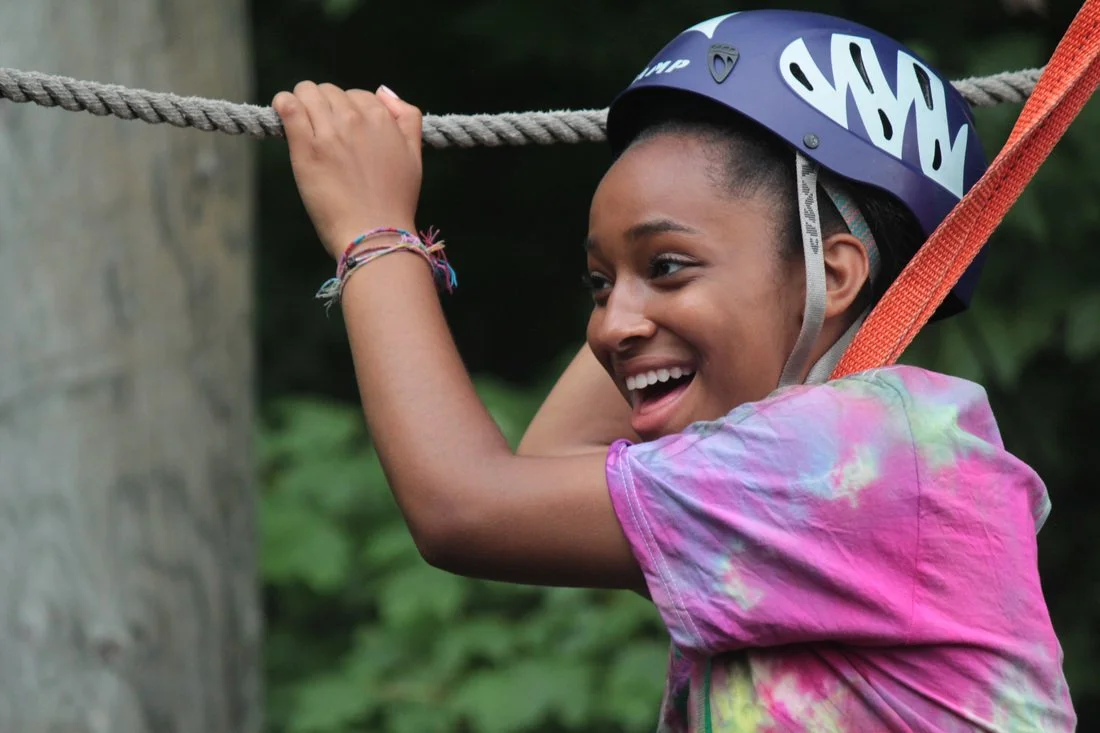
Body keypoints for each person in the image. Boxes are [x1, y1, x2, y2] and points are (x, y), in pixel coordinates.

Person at [272, 9, 1075, 731]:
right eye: (599, 283)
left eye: (667, 265)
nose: (610, 325)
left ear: (834, 276)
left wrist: (372, 229)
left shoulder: (859, 447)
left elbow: (465, 505)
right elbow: (546, 474)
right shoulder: (800, 491)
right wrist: (662, 295)